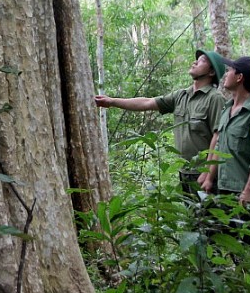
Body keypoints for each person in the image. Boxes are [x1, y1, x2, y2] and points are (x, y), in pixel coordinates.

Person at [95, 49, 227, 194]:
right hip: (184, 171)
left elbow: (219, 137)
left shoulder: (215, 98)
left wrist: (208, 173)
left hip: (204, 174)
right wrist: (112, 101)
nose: (195, 62)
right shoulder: (181, 95)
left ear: (211, 72)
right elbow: (147, 103)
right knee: (191, 215)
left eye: (202, 61)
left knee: (208, 215)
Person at [199, 56, 250, 207]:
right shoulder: (227, 109)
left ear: (239, 77)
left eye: (230, 70)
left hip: (246, 193)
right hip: (224, 188)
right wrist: (209, 179)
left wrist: (249, 190)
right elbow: (219, 147)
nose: (226, 74)